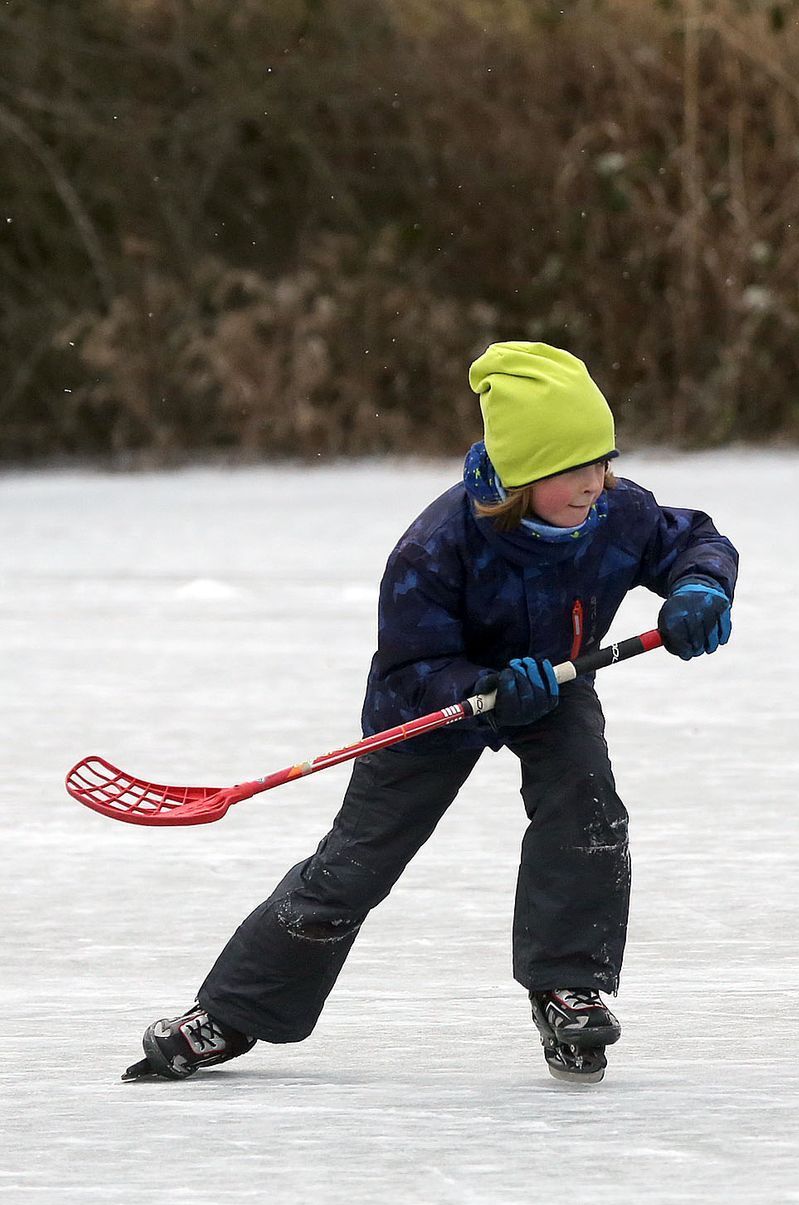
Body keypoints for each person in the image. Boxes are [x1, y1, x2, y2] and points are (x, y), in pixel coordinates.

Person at [126, 341, 738, 1083]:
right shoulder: (436, 546)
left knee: (588, 810)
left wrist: (700, 587)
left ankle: (566, 987)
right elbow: (413, 665)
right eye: (572, 468)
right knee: (356, 865)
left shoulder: (619, 512)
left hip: (558, 683)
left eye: (602, 461)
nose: (594, 484)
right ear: (519, 476)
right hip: (433, 705)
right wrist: (482, 686)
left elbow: (694, 540)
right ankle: (230, 1014)